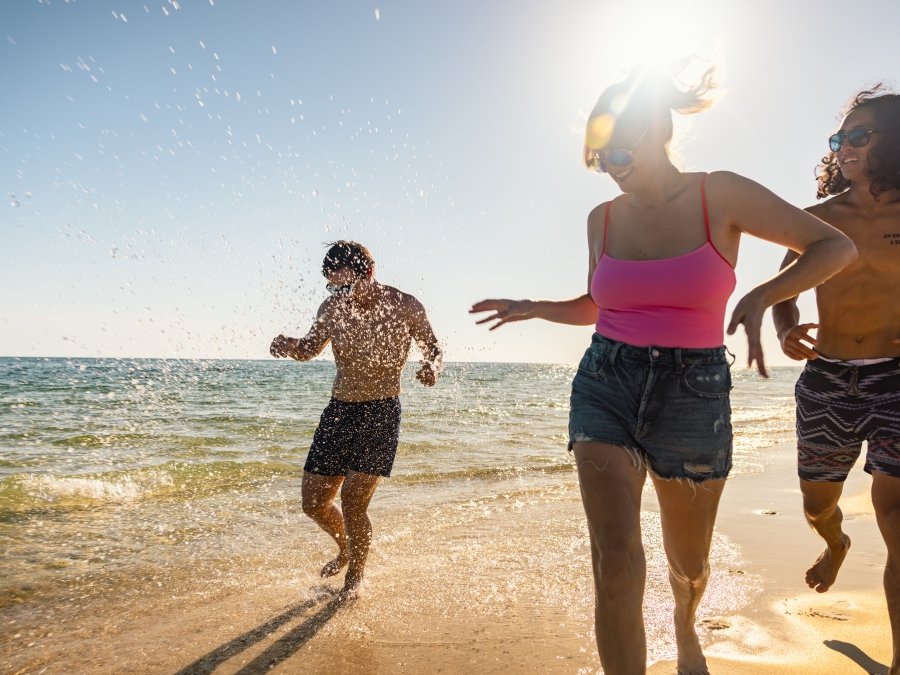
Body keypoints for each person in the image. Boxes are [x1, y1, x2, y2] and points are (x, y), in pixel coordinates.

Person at [470, 65, 857, 675]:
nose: (612, 165)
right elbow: (601, 304)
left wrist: (761, 295)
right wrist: (534, 308)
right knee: (617, 559)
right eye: (599, 157)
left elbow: (835, 246)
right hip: (606, 383)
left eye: (621, 149)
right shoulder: (601, 219)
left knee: (689, 563)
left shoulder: (719, 194)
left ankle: (684, 622)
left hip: (694, 393)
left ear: (655, 128)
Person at [772, 87, 900, 673]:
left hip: (897, 381)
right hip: (827, 381)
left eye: (859, 136)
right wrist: (787, 326)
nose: (844, 148)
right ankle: (835, 543)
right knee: (817, 503)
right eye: (838, 139)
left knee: (896, 518)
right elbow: (784, 286)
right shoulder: (817, 219)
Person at [270, 240, 441, 598]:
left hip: (380, 413)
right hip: (339, 411)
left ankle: (354, 580)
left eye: (346, 285)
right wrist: (289, 347)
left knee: (353, 502)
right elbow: (309, 349)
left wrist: (430, 366)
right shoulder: (332, 308)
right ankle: (345, 547)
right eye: (334, 286)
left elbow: (434, 348)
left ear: (370, 273)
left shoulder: (404, 306)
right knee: (313, 503)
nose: (341, 293)